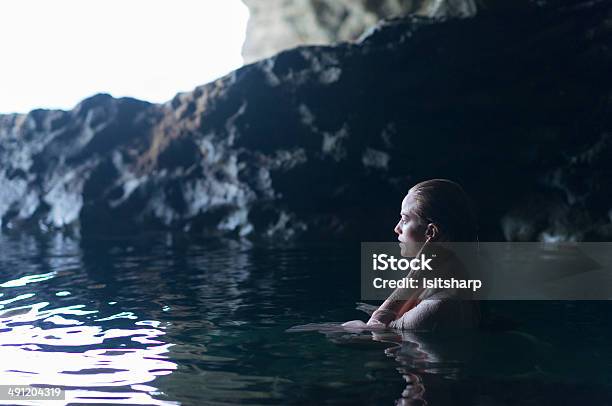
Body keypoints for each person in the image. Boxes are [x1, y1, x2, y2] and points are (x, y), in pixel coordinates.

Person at [343, 178, 481, 331]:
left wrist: (415, 274)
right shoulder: (456, 286)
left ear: (431, 232)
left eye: (404, 219)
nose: (397, 228)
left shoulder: (437, 307)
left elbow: (373, 332)